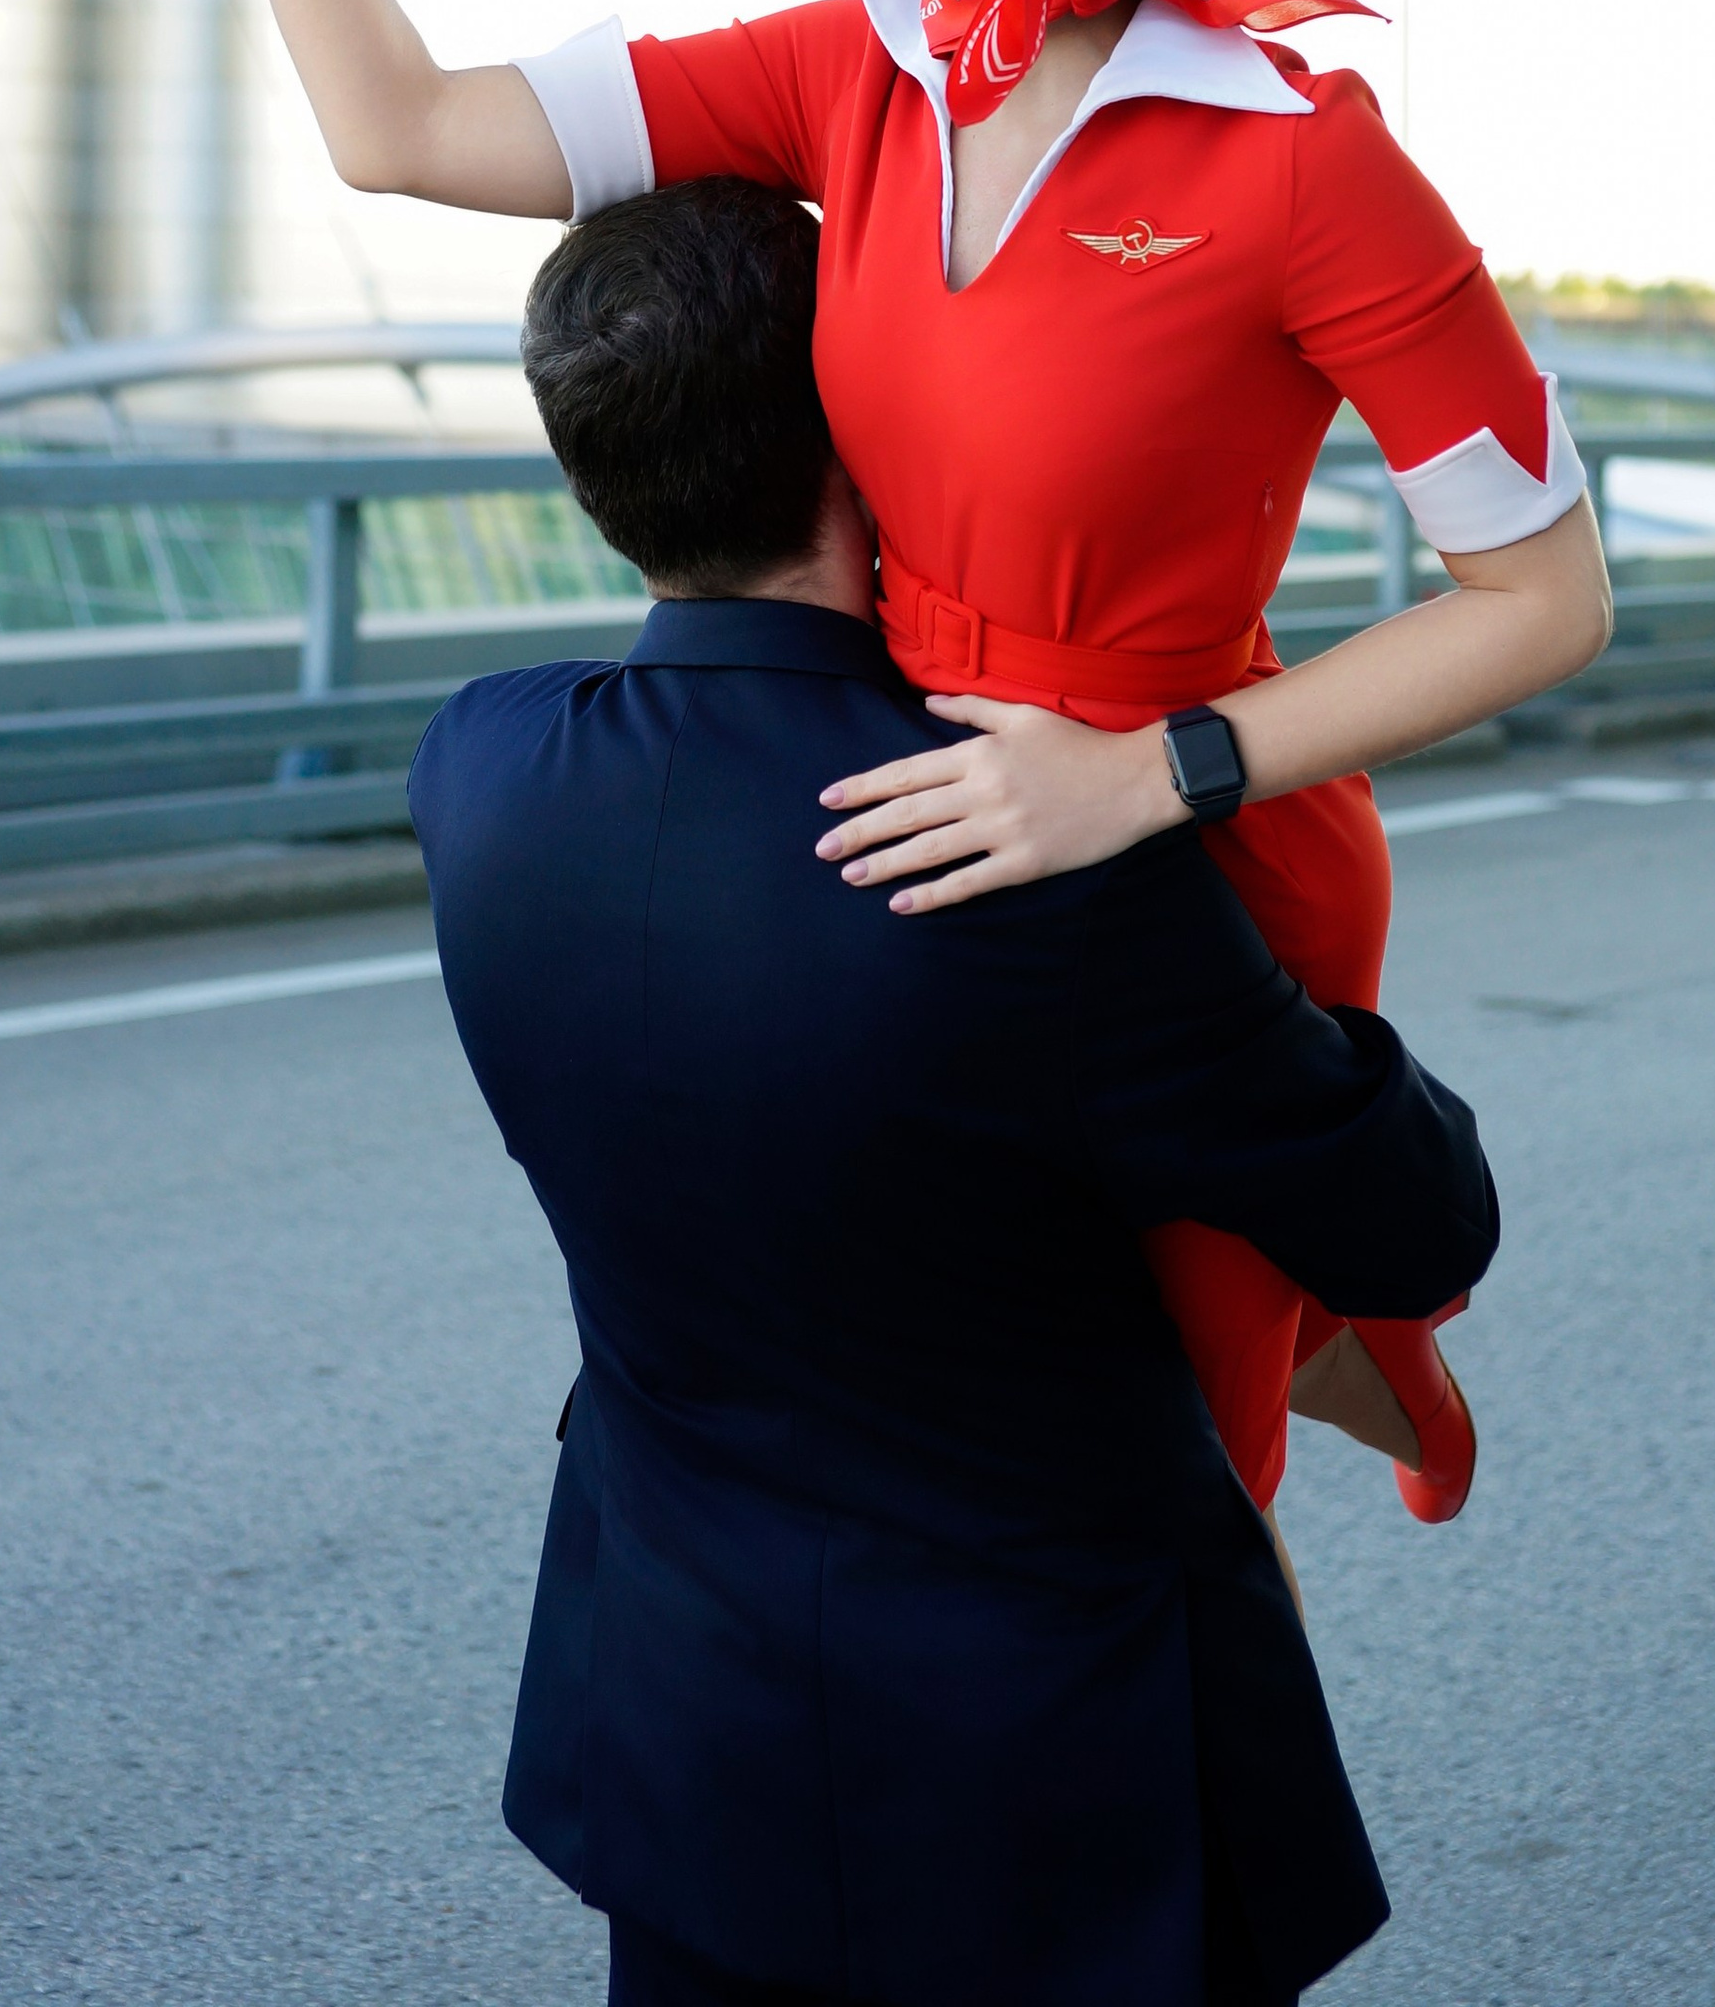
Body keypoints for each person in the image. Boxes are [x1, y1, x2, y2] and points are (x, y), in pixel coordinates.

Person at [32, 0, 1608, 1519]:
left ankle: (1283, 1400)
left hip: (1171, 871)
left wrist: (1143, 777)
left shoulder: (1297, 159)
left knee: (1158, 1507)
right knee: (930, 1466)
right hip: (874, 820)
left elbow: (1539, 599)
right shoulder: (837, 75)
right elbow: (397, 126)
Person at [411, 173, 1501, 2007]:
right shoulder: (1042, 851)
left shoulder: (486, 775)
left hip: (684, 1740)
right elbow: (1413, 1217)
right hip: (1058, 1795)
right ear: (879, 411)